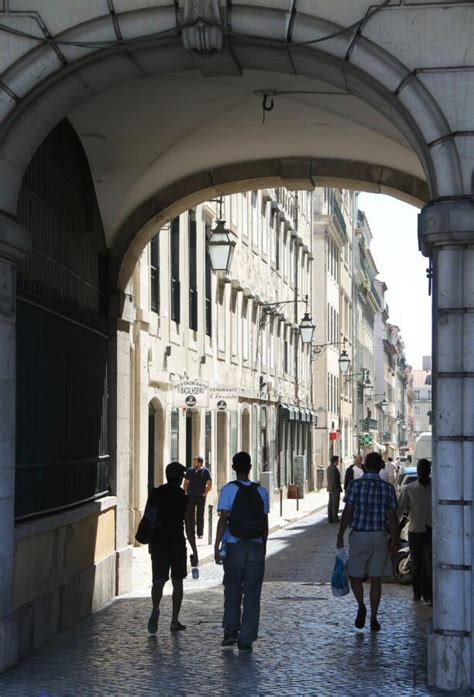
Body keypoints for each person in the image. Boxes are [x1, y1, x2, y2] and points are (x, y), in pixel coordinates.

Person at [337, 452, 400, 631]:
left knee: (354, 575)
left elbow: (348, 512)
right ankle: (373, 617)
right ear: (381, 466)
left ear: (364, 466)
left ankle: (361, 606)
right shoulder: (387, 488)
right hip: (379, 536)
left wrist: (340, 534)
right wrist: (395, 540)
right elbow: (393, 518)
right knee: (376, 578)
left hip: (359, 536)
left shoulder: (355, 486)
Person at [214, 451, 269, 653]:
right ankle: (246, 637)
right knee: (253, 593)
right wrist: (263, 546)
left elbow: (223, 519)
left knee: (232, 588)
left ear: (234, 467)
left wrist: (217, 545)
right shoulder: (261, 492)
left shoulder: (228, 490)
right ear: (250, 467)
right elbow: (265, 523)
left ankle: (230, 632)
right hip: (255, 546)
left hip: (234, 545)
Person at [146, 461, 189, 634]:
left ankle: (155, 608)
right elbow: (189, 522)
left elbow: (148, 517)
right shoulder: (183, 497)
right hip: (177, 543)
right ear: (179, 478)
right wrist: (193, 548)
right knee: (177, 581)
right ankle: (174, 620)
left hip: (158, 543)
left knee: (158, 580)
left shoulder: (156, 493)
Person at [397, 458, 432, 605]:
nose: (421, 473)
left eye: (423, 470)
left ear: (428, 471)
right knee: (417, 564)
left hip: (431, 530)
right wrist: (393, 527)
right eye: (419, 470)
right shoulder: (409, 489)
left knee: (428, 563)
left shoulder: (437, 488)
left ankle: (428, 594)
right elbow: (400, 510)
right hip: (415, 531)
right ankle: (417, 592)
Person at [184, 455, 212, 539]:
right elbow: (186, 482)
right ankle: (191, 532)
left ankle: (200, 533)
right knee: (190, 515)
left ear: (200, 462)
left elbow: (209, 483)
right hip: (190, 495)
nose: (193, 462)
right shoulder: (190, 470)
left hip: (200, 496)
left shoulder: (205, 471)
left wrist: (205, 493)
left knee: (200, 514)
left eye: (195, 461)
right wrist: (185, 492)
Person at [327, 455, 342, 523]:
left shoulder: (329, 468)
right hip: (335, 488)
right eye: (337, 460)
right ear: (335, 461)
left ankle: (331, 518)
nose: (338, 462)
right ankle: (334, 518)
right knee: (335, 504)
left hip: (331, 488)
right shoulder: (333, 468)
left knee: (331, 503)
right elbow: (334, 479)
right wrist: (337, 487)